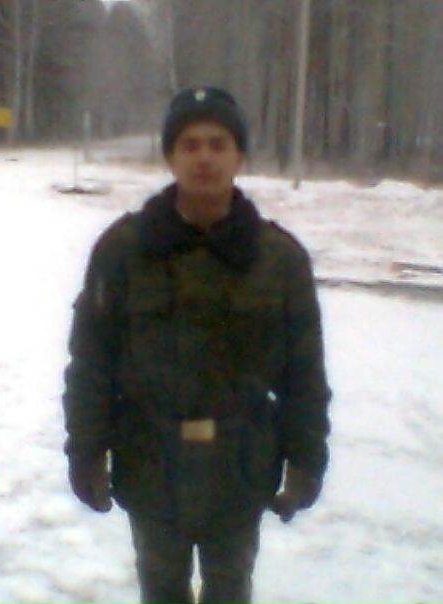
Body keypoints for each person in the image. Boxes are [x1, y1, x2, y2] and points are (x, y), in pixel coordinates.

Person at [62, 86, 332, 604]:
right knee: (161, 590)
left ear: (239, 155)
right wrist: (86, 450)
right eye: (189, 144)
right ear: (170, 156)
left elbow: (304, 374)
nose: (204, 157)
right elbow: (91, 363)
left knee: (230, 590)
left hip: (240, 467)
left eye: (218, 143)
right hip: (149, 461)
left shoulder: (279, 259)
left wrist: (306, 459)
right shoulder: (123, 250)